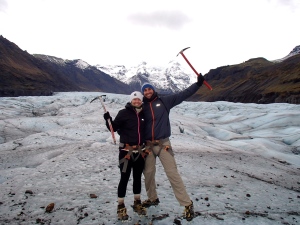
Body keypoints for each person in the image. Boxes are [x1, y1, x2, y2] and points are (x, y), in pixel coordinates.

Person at [140, 74, 205, 221]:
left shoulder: (164, 101)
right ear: (143, 93)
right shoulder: (141, 107)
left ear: (153, 90)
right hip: (148, 146)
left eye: (149, 89)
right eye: (145, 90)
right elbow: (131, 121)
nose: (148, 92)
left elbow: (183, 94)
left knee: (172, 174)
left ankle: (187, 204)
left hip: (164, 145)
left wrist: (197, 85)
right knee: (148, 173)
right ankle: (152, 198)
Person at [103, 91, 147, 221]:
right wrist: (108, 120)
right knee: (124, 178)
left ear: (141, 100)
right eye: (134, 100)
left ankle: (137, 202)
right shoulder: (123, 113)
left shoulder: (144, 114)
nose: (137, 101)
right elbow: (114, 127)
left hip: (140, 152)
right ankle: (121, 206)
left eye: (138, 99)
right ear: (131, 101)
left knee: (137, 178)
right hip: (125, 152)